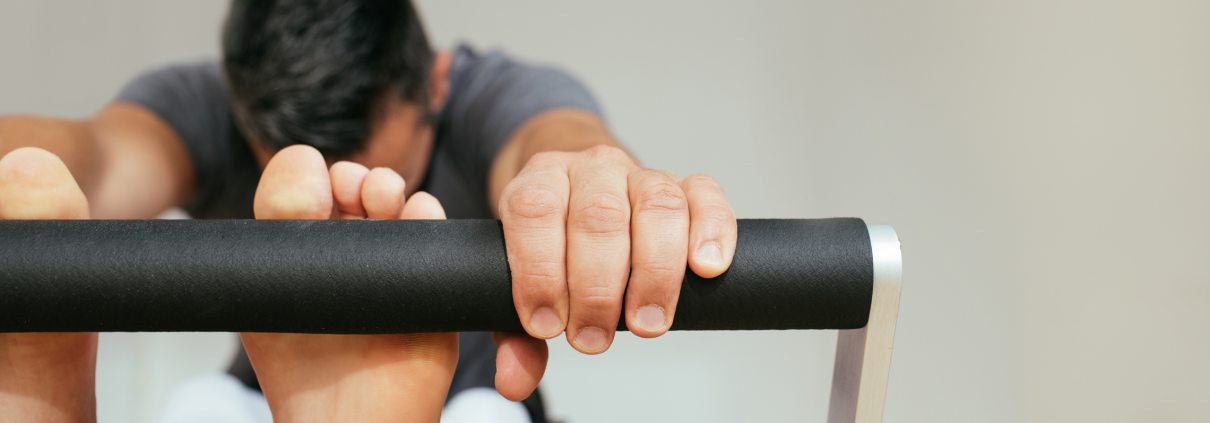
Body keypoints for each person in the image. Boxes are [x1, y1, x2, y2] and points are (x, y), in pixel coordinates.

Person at [0, 0, 738, 422]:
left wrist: (587, 187)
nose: (339, 213)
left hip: (474, 400)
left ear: (438, 85)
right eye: (286, 162)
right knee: (207, 412)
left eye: (380, 175)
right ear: (242, 111)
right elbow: (93, 158)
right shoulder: (216, 102)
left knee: (486, 420)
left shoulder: (487, 93)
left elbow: (557, 140)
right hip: (260, 403)